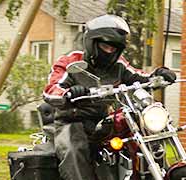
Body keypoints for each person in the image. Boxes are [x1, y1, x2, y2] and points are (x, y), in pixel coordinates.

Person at [43, 14, 176, 180]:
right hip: (73, 121)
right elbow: (50, 89)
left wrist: (158, 75)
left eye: (114, 48)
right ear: (92, 43)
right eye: (106, 46)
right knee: (74, 150)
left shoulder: (119, 65)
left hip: (104, 120)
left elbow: (139, 76)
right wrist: (68, 93)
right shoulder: (70, 62)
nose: (110, 52)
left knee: (139, 130)